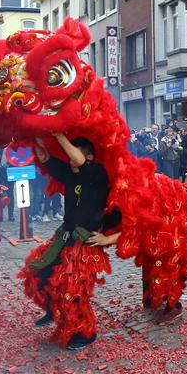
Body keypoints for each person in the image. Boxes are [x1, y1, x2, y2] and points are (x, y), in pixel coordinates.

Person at [29, 134, 122, 350]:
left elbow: (132, 225)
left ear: (89, 157)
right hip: (65, 236)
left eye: (75, 152)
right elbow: (47, 159)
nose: (70, 157)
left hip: (86, 243)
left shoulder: (98, 174)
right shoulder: (71, 174)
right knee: (38, 273)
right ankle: (53, 310)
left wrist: (57, 133)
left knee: (74, 289)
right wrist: (35, 138)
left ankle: (86, 333)